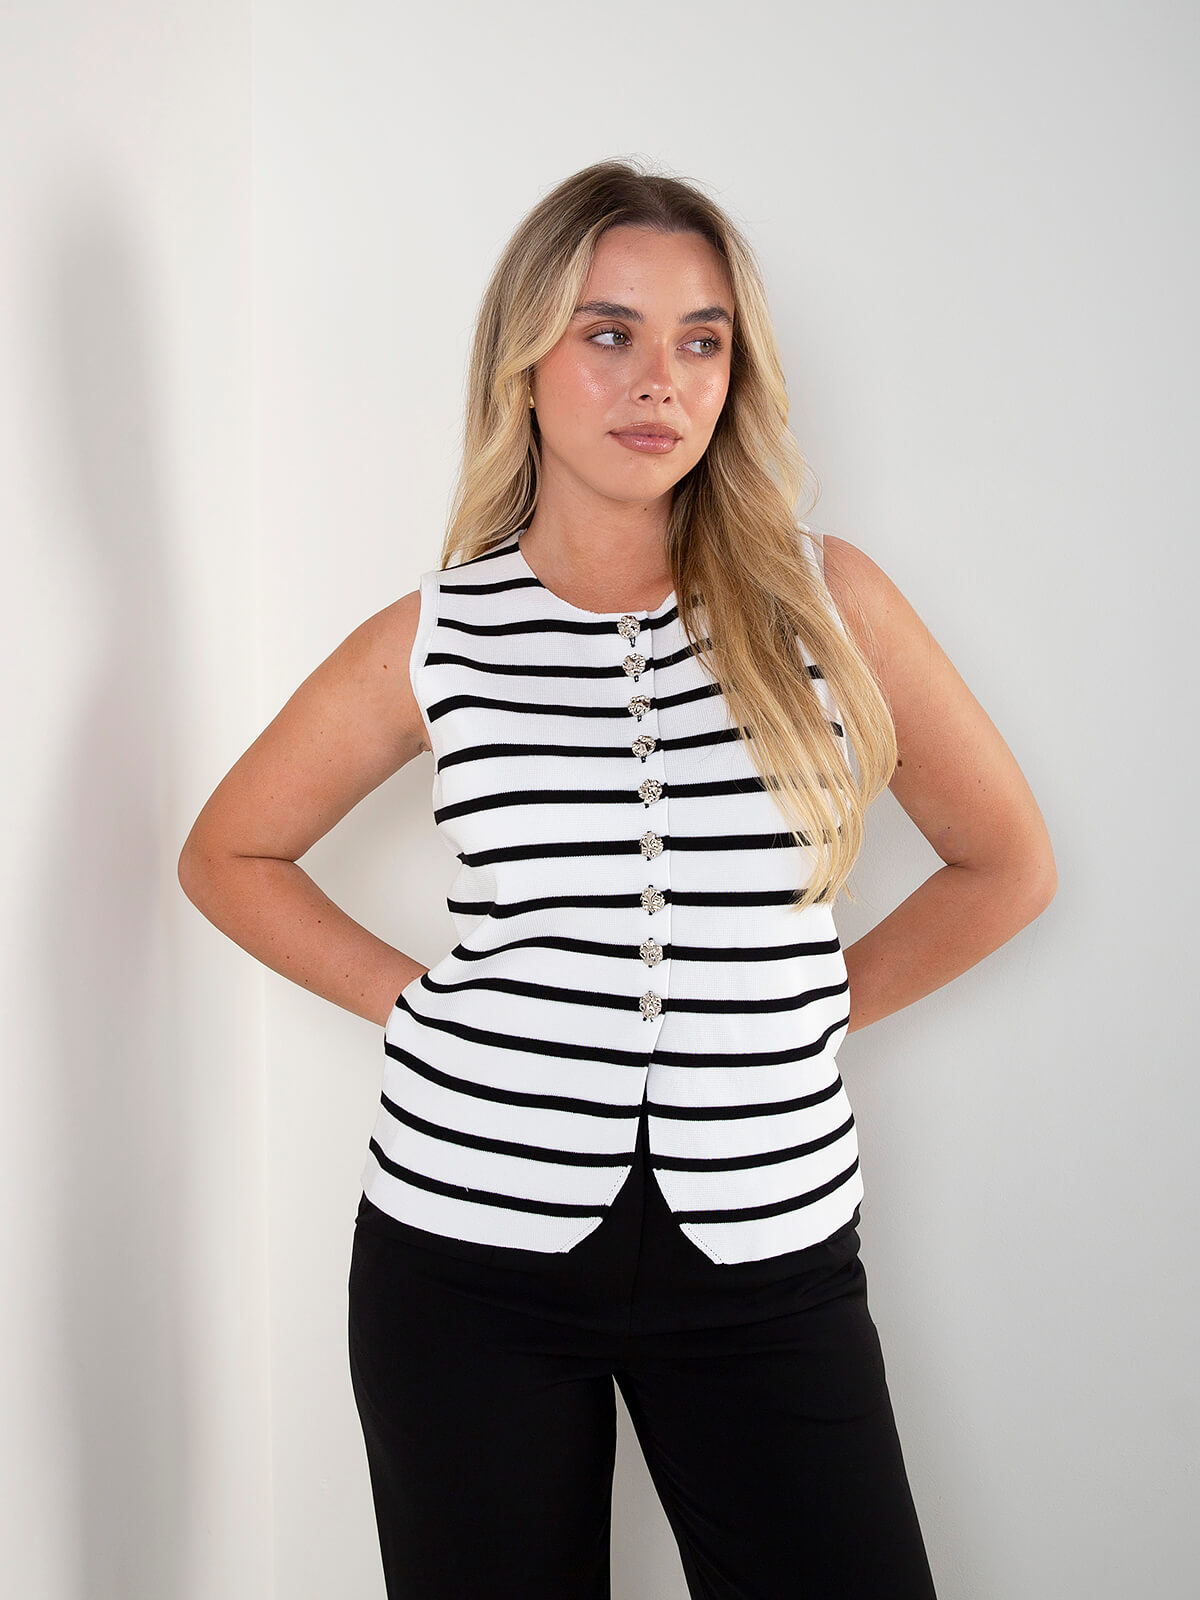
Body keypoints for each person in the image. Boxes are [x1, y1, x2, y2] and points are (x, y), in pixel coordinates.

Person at [178, 158, 1056, 1599]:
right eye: (610, 333)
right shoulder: (440, 634)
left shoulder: (831, 604)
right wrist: (424, 1012)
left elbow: (1005, 864)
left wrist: (799, 1012)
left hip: (770, 1249)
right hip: (465, 1249)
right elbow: (228, 852)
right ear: (523, 363)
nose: (661, 379)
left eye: (702, 340)